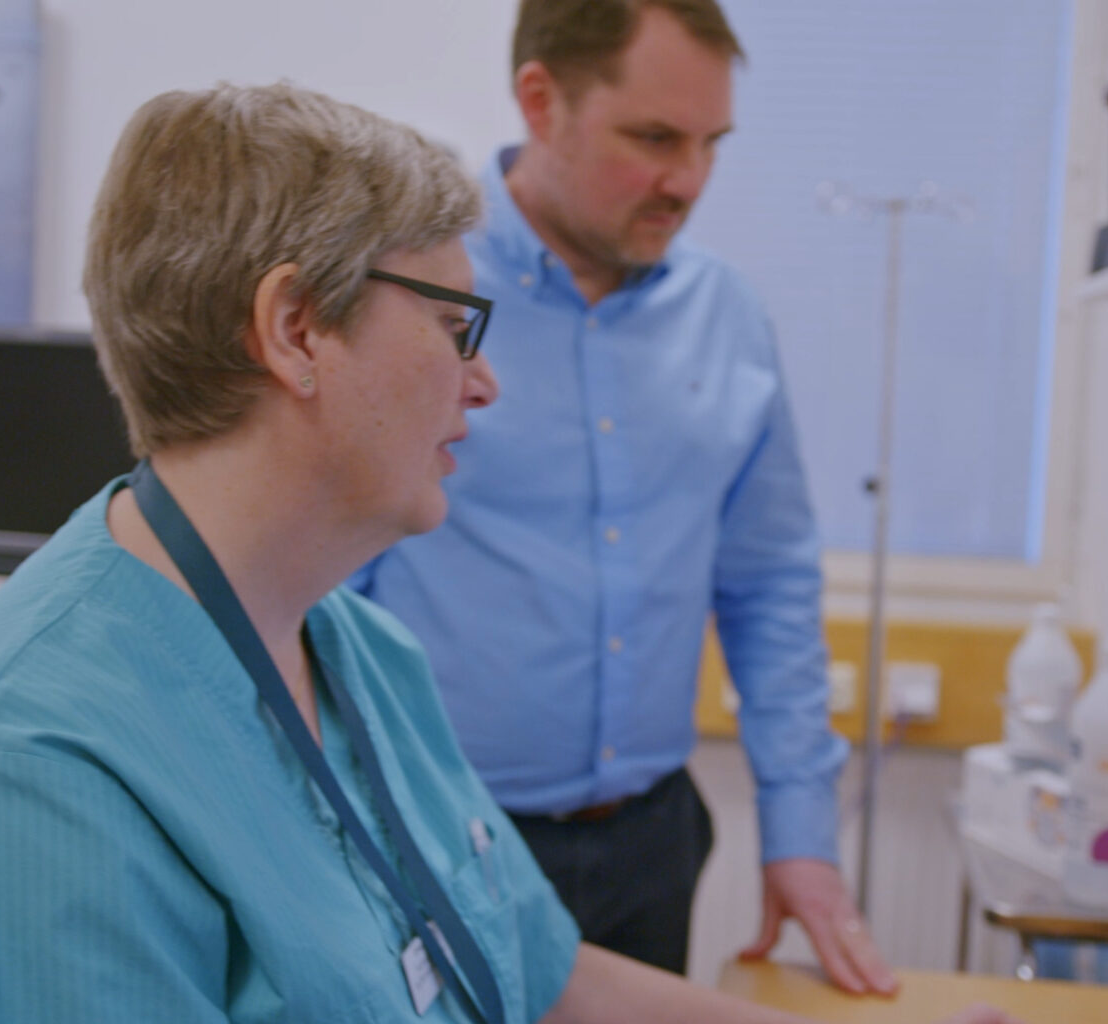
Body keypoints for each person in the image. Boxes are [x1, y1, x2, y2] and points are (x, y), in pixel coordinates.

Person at [0, 81, 1020, 1024]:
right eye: (453, 324)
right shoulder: (20, 775)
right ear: (296, 330)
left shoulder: (363, 654)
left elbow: (531, 971)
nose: (484, 383)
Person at [352, 0, 896, 996]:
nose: (687, 180)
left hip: (653, 845)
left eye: (710, 143)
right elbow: (326, 580)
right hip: (439, 838)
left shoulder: (727, 314)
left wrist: (801, 835)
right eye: (653, 138)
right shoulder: (413, 289)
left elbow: (769, 583)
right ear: (540, 100)